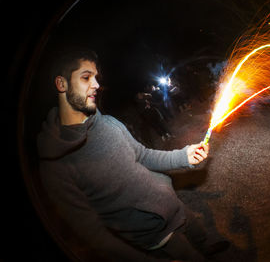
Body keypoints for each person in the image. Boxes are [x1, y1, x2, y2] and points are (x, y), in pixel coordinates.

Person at [37, 48, 229, 261]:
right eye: (86, 77)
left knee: (201, 237)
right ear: (61, 84)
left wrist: (184, 156)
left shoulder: (108, 123)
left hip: (174, 206)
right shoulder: (55, 166)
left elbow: (143, 155)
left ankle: (207, 246)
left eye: (96, 78)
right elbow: (96, 236)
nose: (97, 85)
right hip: (157, 236)